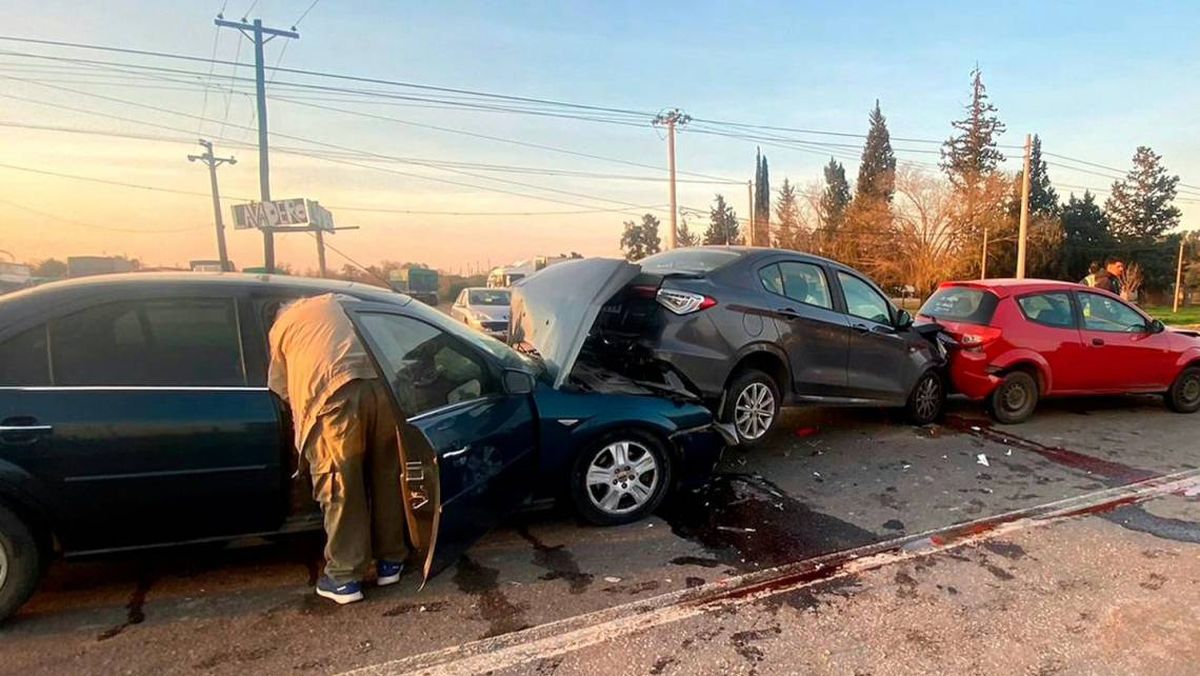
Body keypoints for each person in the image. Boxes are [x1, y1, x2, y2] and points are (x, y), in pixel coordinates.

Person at [268, 294, 408, 605]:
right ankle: (391, 562)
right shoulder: (345, 302)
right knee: (387, 476)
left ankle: (345, 578)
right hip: (385, 390)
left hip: (334, 398)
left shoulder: (284, 326)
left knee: (341, 484)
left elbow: (280, 388)